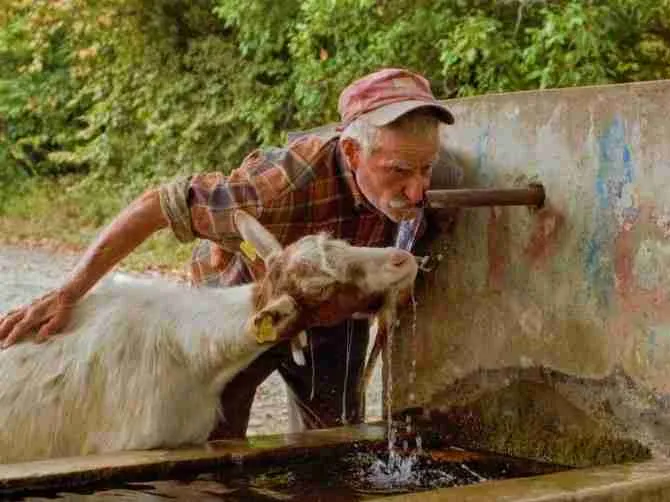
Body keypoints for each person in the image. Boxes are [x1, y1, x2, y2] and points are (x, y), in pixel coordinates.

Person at [0, 68, 462, 438]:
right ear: (352, 152)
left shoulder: (417, 182)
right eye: (401, 170)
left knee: (336, 427)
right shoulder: (275, 187)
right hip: (247, 302)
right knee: (218, 428)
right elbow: (156, 206)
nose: (418, 188)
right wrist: (70, 290)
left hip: (331, 306)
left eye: (427, 167)